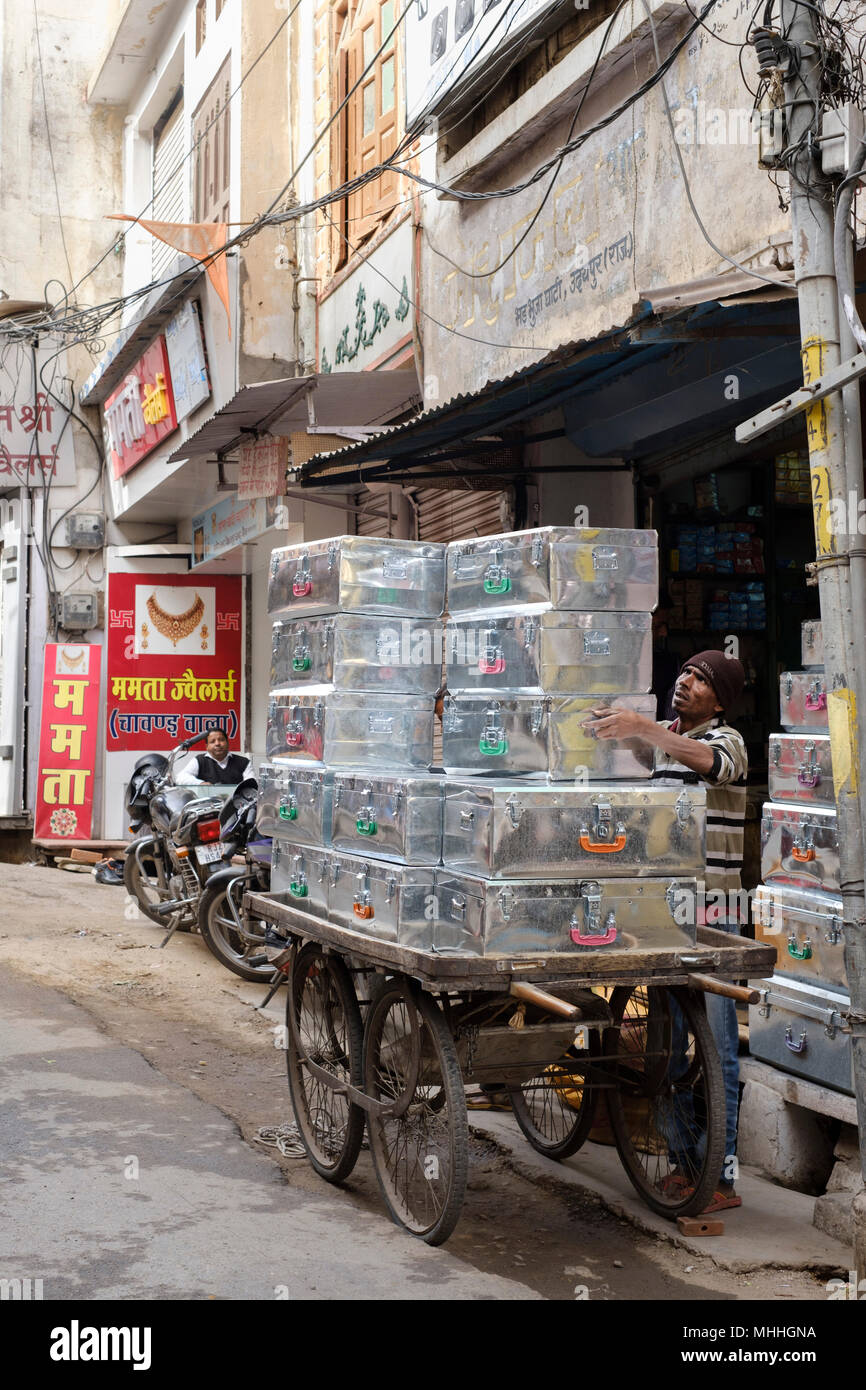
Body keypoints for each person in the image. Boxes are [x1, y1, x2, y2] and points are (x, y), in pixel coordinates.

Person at [584, 649, 748, 1214]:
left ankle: (720, 1174)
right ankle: (683, 1163)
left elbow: (709, 761)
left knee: (719, 1048)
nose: (685, 682)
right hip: (664, 909)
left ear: (720, 700)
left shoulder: (727, 740)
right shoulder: (665, 738)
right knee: (672, 1047)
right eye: (684, 673)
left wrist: (644, 728)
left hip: (713, 913)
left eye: (700, 679)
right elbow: (644, 752)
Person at [176, 727, 253, 786]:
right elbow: (180, 778)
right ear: (207, 746)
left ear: (227, 742)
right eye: (212, 741)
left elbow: (252, 783)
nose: (217, 744)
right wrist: (201, 783)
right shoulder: (199, 760)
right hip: (208, 805)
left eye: (221, 740)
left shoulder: (243, 762)